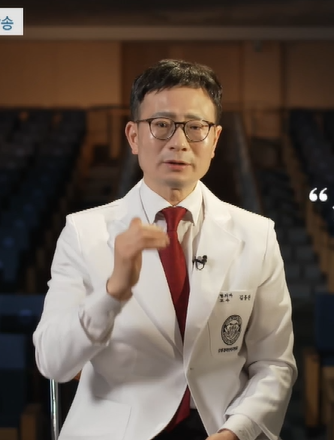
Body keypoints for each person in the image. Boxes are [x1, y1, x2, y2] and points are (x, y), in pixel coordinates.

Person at [33, 59, 297, 440]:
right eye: (161, 125)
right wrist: (112, 293)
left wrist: (236, 431)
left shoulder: (258, 234)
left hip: (218, 427)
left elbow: (274, 364)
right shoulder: (83, 232)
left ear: (215, 140)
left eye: (195, 127)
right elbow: (53, 362)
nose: (179, 142)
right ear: (133, 136)